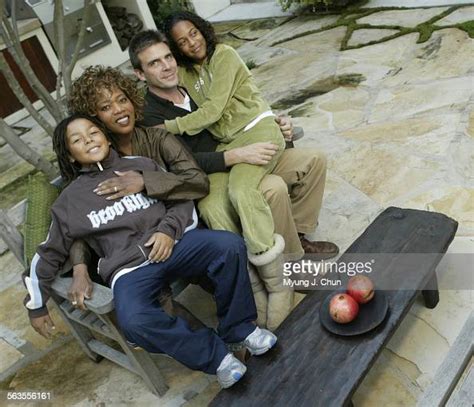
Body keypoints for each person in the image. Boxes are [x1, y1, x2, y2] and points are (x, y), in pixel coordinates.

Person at [23, 114, 278, 388]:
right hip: (129, 270)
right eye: (77, 139)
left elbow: (180, 199)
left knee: (227, 246)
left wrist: (168, 231)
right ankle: (217, 358)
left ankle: (239, 329)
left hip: (175, 245)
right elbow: (48, 253)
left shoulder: (141, 165)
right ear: (70, 156)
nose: (88, 140)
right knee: (134, 321)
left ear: (106, 137)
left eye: (93, 132)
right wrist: (36, 306)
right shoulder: (69, 201)